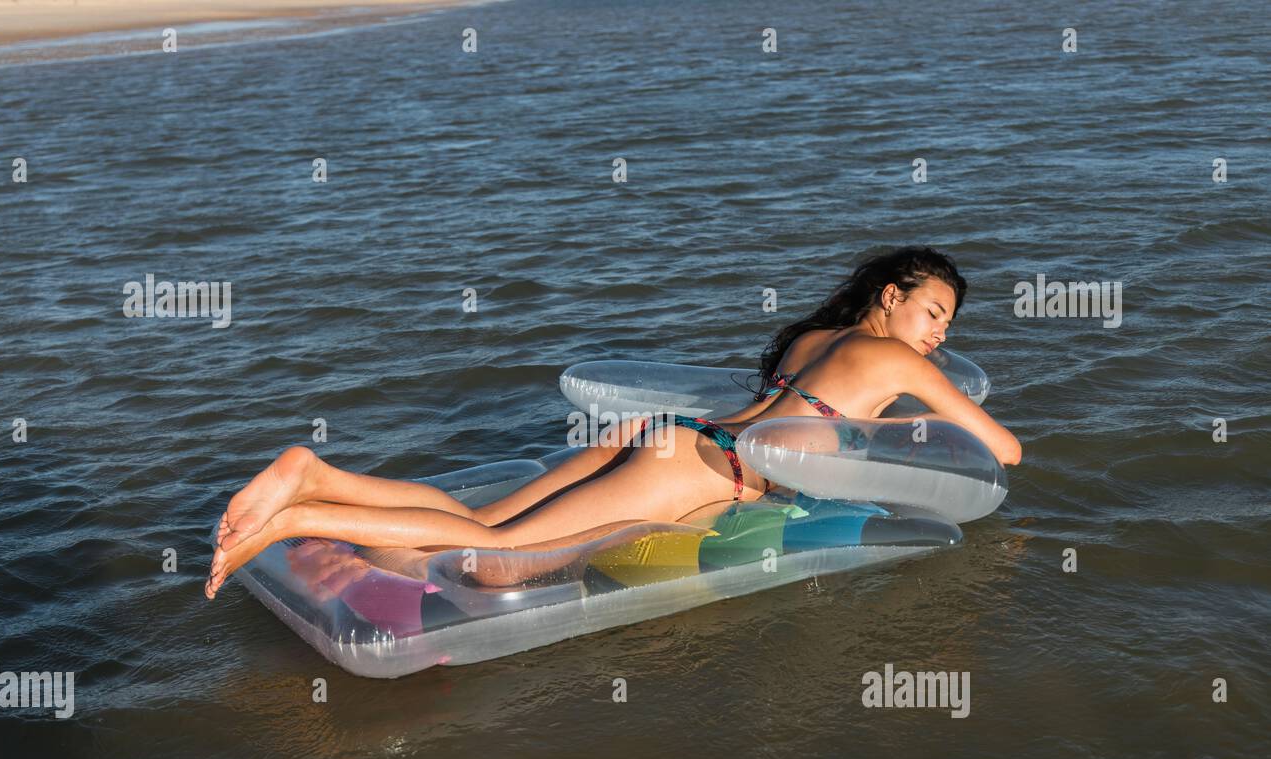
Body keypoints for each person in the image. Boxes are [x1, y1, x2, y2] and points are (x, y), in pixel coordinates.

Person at [205, 245, 1021, 599]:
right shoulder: (905, 365)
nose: (940, 334)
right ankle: (299, 515)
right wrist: (924, 400)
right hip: (699, 472)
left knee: (485, 517)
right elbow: (1003, 451)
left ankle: (321, 476)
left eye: (947, 324)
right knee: (493, 558)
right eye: (935, 313)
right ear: (893, 298)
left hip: (667, 434)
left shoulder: (816, 337)